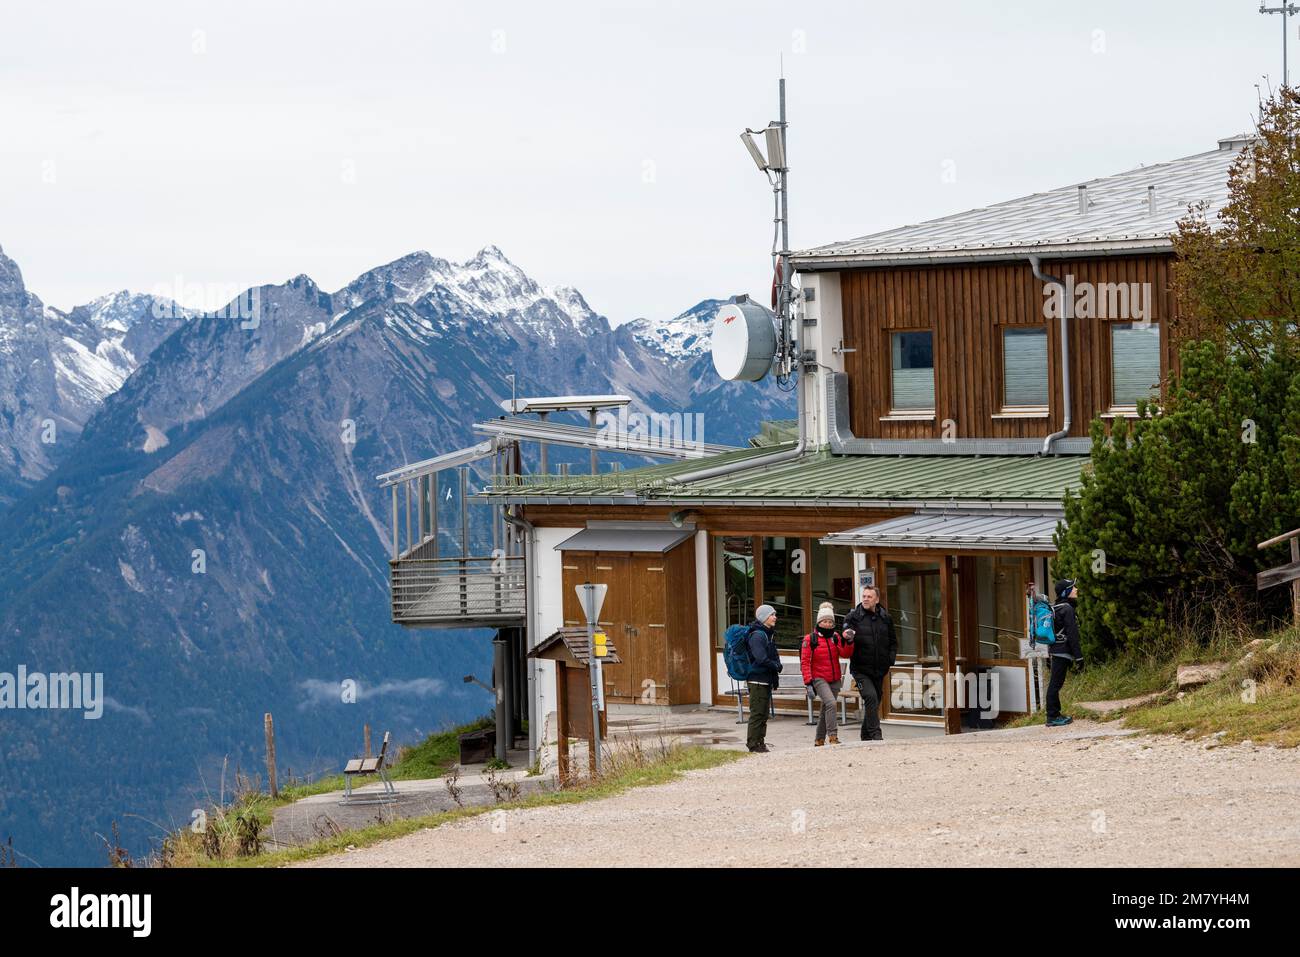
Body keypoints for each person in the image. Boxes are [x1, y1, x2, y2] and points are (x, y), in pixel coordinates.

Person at [841, 584, 897, 741]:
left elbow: (893, 641)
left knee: (876, 699)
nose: (865, 599)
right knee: (870, 697)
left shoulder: (886, 618)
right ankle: (875, 734)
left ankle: (865, 735)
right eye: (864, 596)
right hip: (860, 671)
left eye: (869, 596)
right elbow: (845, 630)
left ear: (877, 599)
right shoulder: (853, 617)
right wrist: (847, 635)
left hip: (879, 670)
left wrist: (890, 659)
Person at [800, 602, 851, 746]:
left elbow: (845, 653)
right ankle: (833, 736)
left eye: (830, 621)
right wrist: (808, 682)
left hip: (834, 678)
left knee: (826, 709)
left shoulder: (835, 637)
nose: (828, 624)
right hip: (819, 678)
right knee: (831, 703)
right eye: (825, 621)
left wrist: (849, 641)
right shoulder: (810, 639)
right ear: (819, 622)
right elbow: (805, 662)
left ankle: (819, 739)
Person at [1046, 579, 1084, 727]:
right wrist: (1079, 657)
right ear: (1066, 592)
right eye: (1072, 587)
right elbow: (1072, 634)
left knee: (1056, 683)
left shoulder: (1058, 607)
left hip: (1056, 650)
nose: (1076, 589)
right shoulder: (1067, 609)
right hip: (1062, 652)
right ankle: (1052, 716)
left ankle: (1055, 714)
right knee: (1055, 684)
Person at [745, 604, 782, 753]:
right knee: (757, 713)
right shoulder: (758, 635)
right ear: (764, 618)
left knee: (764, 713)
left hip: (765, 680)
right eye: (772, 615)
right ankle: (753, 744)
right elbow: (761, 658)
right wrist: (776, 666)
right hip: (757, 680)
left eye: (774, 614)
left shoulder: (767, 634)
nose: (775, 617)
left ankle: (760, 741)